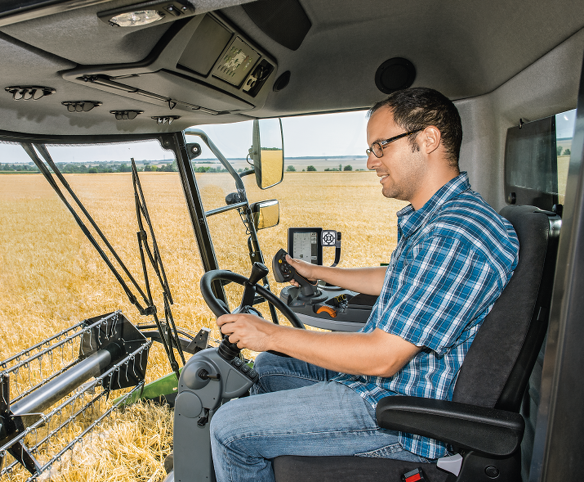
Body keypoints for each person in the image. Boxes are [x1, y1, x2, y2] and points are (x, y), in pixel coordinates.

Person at [209, 87, 520, 482]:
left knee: (229, 428)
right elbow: (398, 279)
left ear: (427, 140)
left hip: (402, 413)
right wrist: (320, 272)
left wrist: (271, 333)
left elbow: (382, 358)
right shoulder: (444, 218)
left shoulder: (455, 233)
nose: (371, 161)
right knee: (269, 368)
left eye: (380, 146)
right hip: (393, 386)